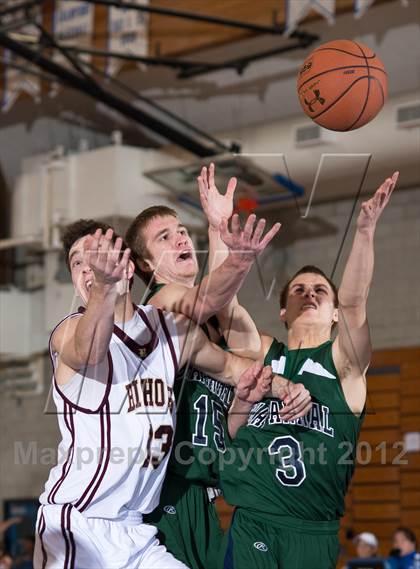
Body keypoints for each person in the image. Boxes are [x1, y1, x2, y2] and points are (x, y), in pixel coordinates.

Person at [34, 219, 307, 569]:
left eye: (98, 256)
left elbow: (229, 365)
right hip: (78, 527)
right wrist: (104, 287)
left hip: (135, 533)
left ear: (128, 266)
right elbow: (91, 352)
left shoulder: (169, 328)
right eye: (78, 262)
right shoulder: (69, 331)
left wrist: (284, 386)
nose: (90, 267)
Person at [218, 172, 400, 569]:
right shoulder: (265, 351)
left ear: (335, 312)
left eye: (321, 289)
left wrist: (365, 231)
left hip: (314, 530)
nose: (310, 293)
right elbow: (224, 309)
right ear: (283, 311)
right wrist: (220, 231)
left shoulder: (344, 366)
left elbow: (356, 304)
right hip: (255, 522)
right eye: (298, 289)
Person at [125, 194, 312, 569]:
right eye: (164, 237)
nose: (180, 239)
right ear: (146, 264)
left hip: (202, 495)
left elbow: (235, 328)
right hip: (163, 494)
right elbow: (205, 297)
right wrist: (240, 258)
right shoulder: (158, 306)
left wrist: (217, 229)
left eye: (181, 231)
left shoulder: (213, 320)